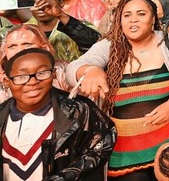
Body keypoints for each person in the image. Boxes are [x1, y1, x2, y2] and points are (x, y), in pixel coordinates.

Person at [66, 0, 169, 180]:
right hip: (122, 157)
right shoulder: (109, 45)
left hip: (166, 152)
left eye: (141, 14)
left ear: (153, 19)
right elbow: (71, 69)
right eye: (127, 15)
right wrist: (90, 70)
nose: (133, 19)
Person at [0, 48, 116, 180]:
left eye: (42, 73)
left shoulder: (79, 111)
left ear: (54, 74)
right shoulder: (3, 117)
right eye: (21, 77)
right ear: (6, 80)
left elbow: (100, 147)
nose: (32, 82)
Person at [0, 24, 71, 103]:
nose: (19, 51)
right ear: (4, 51)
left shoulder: (63, 70)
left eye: (27, 44)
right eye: (12, 46)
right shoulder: (2, 78)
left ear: (43, 47)